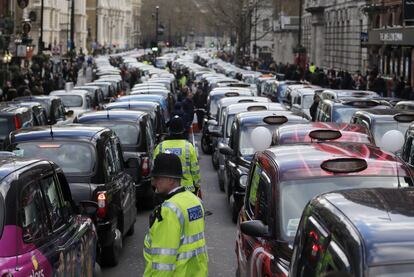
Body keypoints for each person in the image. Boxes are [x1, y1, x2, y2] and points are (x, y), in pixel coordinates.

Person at [143, 153, 208, 277]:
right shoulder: (195, 201)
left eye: (158, 178)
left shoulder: (169, 210)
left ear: (171, 180)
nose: (154, 182)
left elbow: (164, 262)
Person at [153, 116, 201, 195]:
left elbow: (154, 169)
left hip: (165, 191)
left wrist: (155, 186)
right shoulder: (188, 147)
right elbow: (195, 169)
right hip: (187, 190)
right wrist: (197, 185)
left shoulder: (160, 147)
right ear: (182, 130)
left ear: (169, 130)